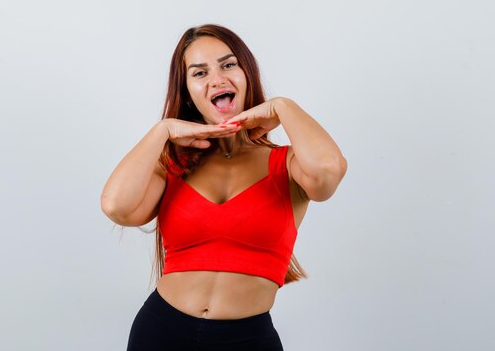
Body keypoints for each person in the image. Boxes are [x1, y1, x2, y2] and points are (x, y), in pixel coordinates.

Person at [101, 24, 347, 351]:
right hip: (160, 332)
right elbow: (116, 206)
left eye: (228, 65)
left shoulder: (289, 164)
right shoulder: (172, 165)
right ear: (187, 91)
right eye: (200, 73)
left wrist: (283, 107)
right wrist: (163, 130)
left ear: (247, 74)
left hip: (247, 340)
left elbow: (328, 173)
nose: (217, 79)